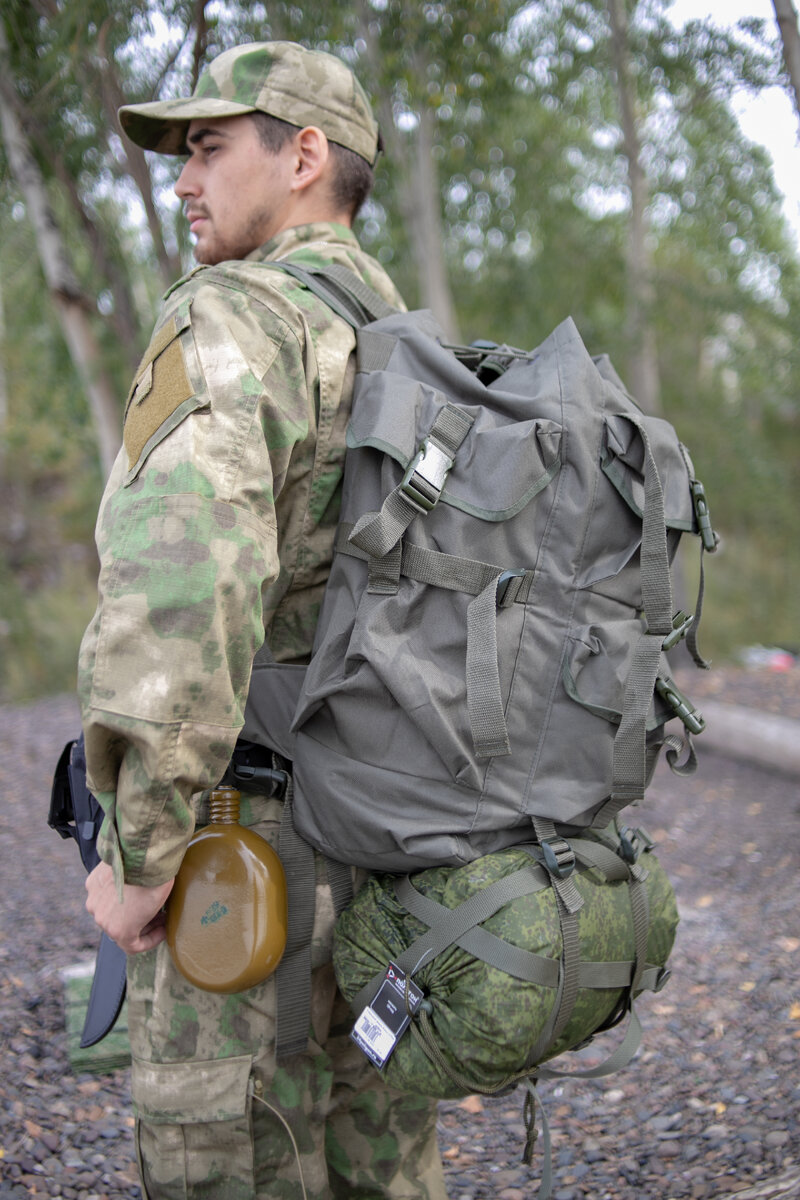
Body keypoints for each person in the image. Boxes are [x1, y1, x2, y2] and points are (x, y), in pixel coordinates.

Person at [79, 41, 447, 1200]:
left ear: (304, 157)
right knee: (381, 1158)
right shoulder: (413, 344)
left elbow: (183, 589)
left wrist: (142, 849)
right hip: (400, 838)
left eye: (207, 147)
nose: (184, 182)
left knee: (228, 1158)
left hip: (250, 844)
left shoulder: (236, 315)